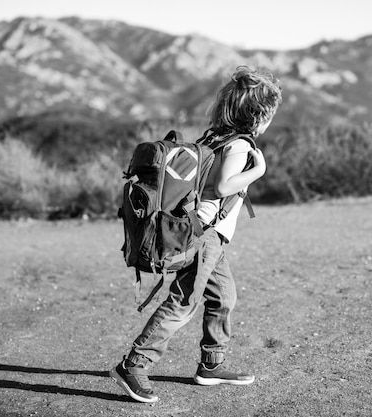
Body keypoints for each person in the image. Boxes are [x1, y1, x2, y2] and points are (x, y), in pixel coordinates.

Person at [110, 65, 282, 403]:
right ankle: (134, 365)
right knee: (184, 301)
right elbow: (221, 186)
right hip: (206, 235)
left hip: (205, 234)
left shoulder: (214, 136)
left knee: (224, 296)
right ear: (259, 115)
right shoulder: (239, 146)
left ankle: (211, 366)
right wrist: (258, 171)